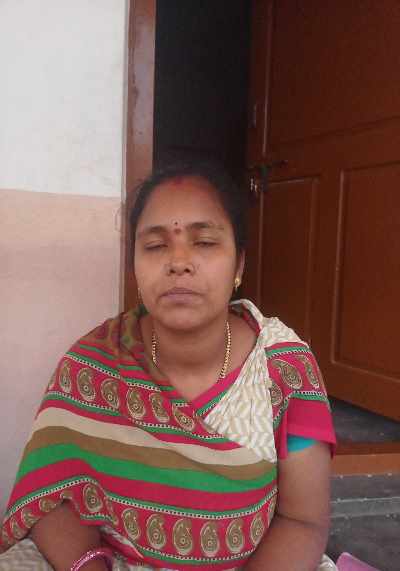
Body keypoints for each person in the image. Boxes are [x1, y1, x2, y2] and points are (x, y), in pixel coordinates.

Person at [0, 162, 337, 571]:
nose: (179, 262)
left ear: (239, 265)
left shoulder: (285, 371)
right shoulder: (93, 367)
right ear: (134, 266)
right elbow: (52, 498)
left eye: (205, 242)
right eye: (156, 246)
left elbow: (302, 520)